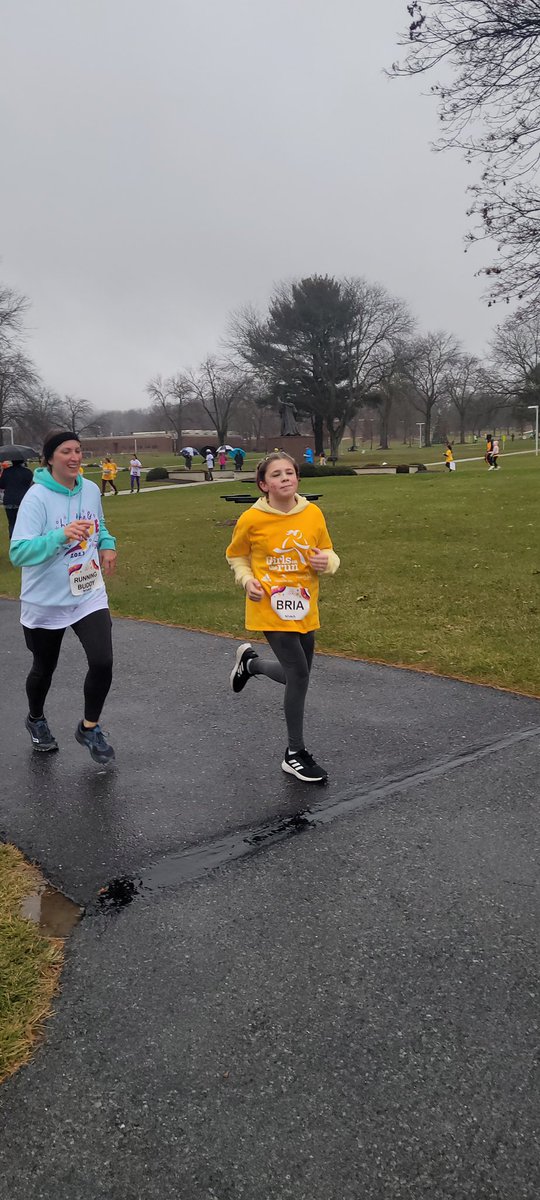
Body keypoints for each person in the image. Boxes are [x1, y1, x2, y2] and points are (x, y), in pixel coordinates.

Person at [226, 452, 340, 783]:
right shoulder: (252, 519)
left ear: (297, 479)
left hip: (304, 606)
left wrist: (327, 563)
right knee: (299, 675)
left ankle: (251, 664)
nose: (285, 478)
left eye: (289, 472)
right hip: (269, 607)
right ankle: (294, 753)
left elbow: (328, 551)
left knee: (296, 675)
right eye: (276, 475)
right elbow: (236, 556)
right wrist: (247, 581)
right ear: (264, 484)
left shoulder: (313, 514)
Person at [9, 430, 117, 764]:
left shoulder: (90, 489)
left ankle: (89, 727)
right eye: (66, 451)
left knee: (103, 661)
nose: (74, 457)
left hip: (87, 591)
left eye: (78, 451)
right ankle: (36, 718)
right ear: (50, 458)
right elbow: (19, 552)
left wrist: (107, 545)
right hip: (46, 599)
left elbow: (100, 526)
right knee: (44, 667)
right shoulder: (36, 498)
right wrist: (59, 535)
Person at [1, 458, 34, 537]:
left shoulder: (6, 471)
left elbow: (1, 485)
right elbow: (32, 485)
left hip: (9, 499)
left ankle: (13, 539)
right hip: (23, 500)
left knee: (12, 522)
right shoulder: (28, 472)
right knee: (23, 522)